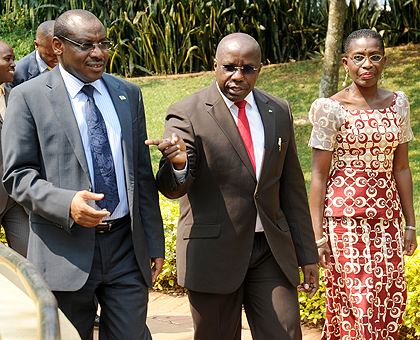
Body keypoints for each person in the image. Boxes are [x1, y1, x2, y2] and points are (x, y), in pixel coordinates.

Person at [2, 10, 164, 340]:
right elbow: (17, 175)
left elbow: (140, 176)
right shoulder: (28, 97)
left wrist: (153, 241)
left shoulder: (127, 94)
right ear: (58, 46)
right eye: (86, 45)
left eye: (104, 43)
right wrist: (67, 203)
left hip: (125, 249)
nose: (99, 53)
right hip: (64, 250)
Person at [146, 32, 319, 340]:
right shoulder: (187, 112)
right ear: (215, 66)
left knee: (286, 334)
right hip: (214, 252)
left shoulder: (278, 110)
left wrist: (307, 254)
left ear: (260, 68)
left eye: (247, 68)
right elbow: (173, 189)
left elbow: (291, 187)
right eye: (229, 67)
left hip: (270, 250)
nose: (238, 76)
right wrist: (178, 164)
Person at [308, 28, 417, 340]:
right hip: (345, 223)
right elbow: (318, 176)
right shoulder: (331, 108)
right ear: (345, 63)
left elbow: (402, 168)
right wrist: (318, 238)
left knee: (390, 300)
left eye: (374, 57)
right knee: (361, 303)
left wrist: (410, 225)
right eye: (358, 57)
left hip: (388, 222)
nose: (366, 64)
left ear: (384, 61)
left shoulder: (398, 104)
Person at [0, 41, 29, 257]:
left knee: (30, 263)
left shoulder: (16, 94)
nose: (14, 64)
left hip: (16, 198)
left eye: (13, 58)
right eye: (7, 59)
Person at [5, 20, 57, 89]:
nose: (57, 59)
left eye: (60, 53)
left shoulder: (71, 64)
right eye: (50, 55)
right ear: (36, 45)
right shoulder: (17, 74)